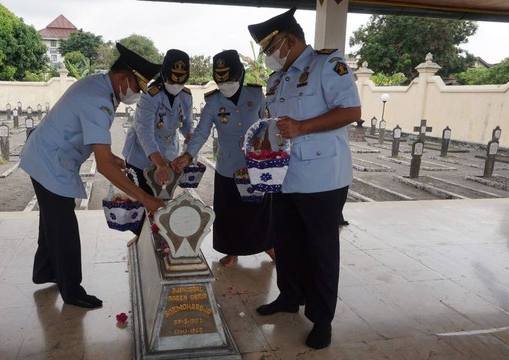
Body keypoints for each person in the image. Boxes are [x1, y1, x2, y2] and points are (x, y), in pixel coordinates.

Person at [19, 43, 165, 309]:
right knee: (63, 226)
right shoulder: (99, 101)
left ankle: (45, 271)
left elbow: (104, 155)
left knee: (51, 220)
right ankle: (72, 290)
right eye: (137, 86)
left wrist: (113, 159)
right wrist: (146, 199)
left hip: (44, 154)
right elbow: (104, 167)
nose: (136, 94)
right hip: (49, 162)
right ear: (123, 78)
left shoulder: (99, 86)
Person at [247, 7, 361, 349]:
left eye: (270, 49)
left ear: (288, 40)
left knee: (320, 249)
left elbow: (351, 111)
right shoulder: (278, 78)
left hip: (323, 177)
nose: (268, 57)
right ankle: (289, 297)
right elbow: (279, 123)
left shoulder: (328, 65)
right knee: (287, 242)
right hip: (284, 174)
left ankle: (322, 319)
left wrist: (301, 128)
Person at [173, 50, 274, 266]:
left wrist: (260, 139)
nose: (224, 84)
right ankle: (232, 251)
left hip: (255, 164)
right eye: (220, 80)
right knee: (229, 211)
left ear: (239, 75)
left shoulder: (256, 96)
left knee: (260, 209)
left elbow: (268, 124)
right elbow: (201, 131)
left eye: (228, 79)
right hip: (228, 166)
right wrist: (188, 155)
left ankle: (268, 245)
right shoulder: (213, 101)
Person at [122, 49, 193, 235]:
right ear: (164, 74)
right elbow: (144, 131)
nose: (177, 84)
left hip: (168, 153)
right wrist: (159, 163)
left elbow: (186, 123)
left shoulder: (186, 96)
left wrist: (189, 135)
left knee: (162, 197)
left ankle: (158, 237)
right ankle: (141, 239)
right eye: (172, 79)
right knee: (141, 200)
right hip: (140, 154)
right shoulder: (150, 94)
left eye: (182, 80)